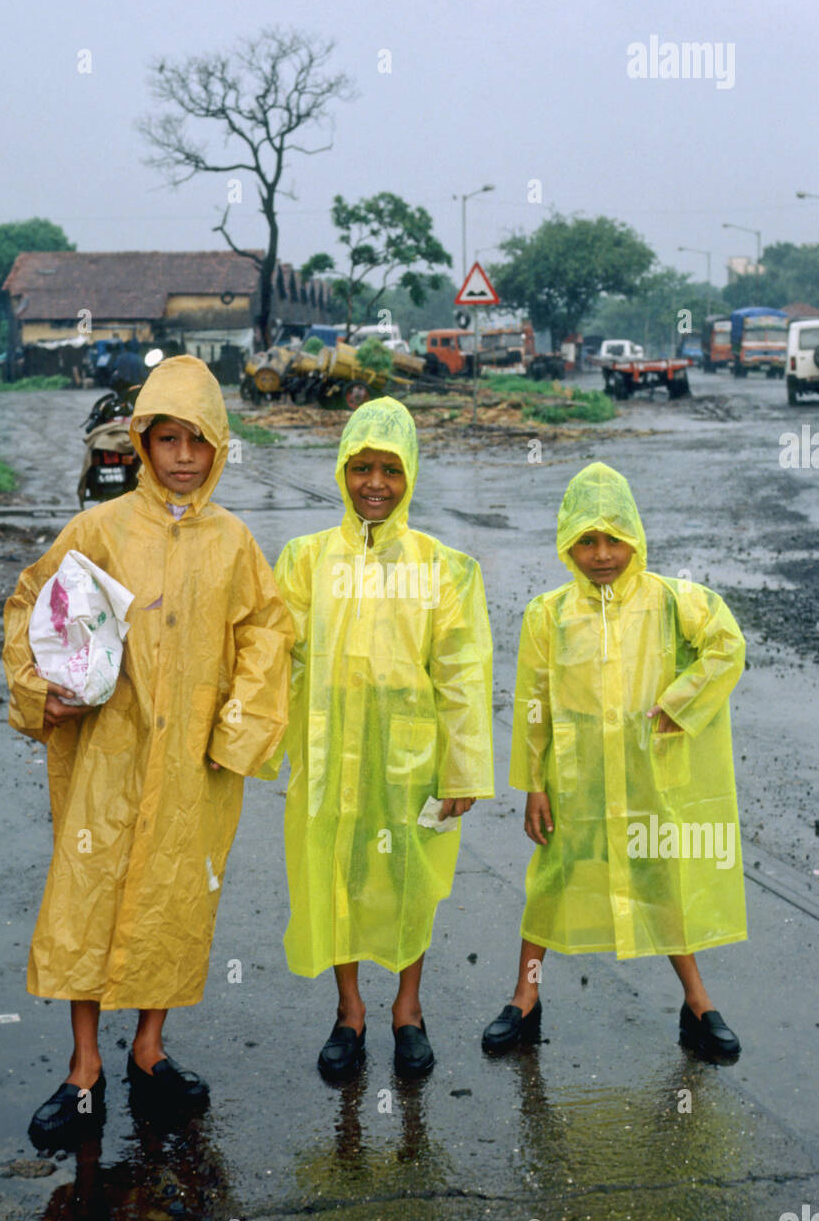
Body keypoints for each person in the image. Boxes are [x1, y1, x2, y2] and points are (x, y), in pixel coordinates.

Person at [3, 355, 293, 1146]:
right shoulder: (98, 529)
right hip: (106, 758)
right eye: (167, 439)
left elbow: (267, 632)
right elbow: (35, 602)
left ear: (220, 447)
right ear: (140, 441)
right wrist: (43, 691)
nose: (184, 457)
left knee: (173, 902)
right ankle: (84, 1068)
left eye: (199, 441)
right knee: (87, 899)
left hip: (192, 764)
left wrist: (236, 730)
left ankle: (150, 1049)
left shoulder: (235, 543)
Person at [261, 396, 494, 1080]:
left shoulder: (446, 568)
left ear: (410, 475)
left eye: (390, 469)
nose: (374, 483)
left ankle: (408, 1010)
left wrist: (464, 767)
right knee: (337, 879)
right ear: (341, 470)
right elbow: (277, 658)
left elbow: (462, 673)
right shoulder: (304, 560)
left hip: (412, 763)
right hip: (330, 759)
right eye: (361, 466)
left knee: (408, 883)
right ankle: (350, 1012)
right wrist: (253, 742)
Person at [482, 462, 747, 1060]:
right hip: (574, 782)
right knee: (550, 883)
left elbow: (728, 645)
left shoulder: (673, 602)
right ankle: (524, 999)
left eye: (614, 540)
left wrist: (681, 703)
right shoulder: (547, 615)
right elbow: (533, 705)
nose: (602, 555)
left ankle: (698, 1003)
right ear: (567, 542)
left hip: (648, 778)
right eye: (586, 541)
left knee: (660, 881)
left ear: (635, 538)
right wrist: (533, 784)